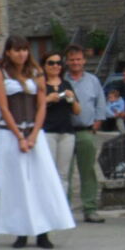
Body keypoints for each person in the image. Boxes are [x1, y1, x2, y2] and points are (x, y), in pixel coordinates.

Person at [0, 36, 75, 248]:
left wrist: (34, 135)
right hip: (10, 133)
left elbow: (41, 105)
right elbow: (3, 107)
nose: (22, 54)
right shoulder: (0, 74)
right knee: (16, 184)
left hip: (35, 133)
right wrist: (19, 136)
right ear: (8, 52)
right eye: (17, 50)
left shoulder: (36, 73)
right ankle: (21, 231)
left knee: (41, 181)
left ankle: (43, 232)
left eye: (25, 50)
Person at [64, 43, 107, 223]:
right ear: (67, 61)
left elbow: (100, 102)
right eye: (72, 59)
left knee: (88, 171)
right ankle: (63, 211)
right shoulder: (62, 80)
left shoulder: (92, 80)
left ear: (84, 61)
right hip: (65, 132)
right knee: (64, 172)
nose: (75, 62)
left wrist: (98, 121)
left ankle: (90, 208)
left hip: (85, 130)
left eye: (78, 59)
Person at [41, 51, 80, 197]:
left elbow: (77, 111)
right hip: (47, 131)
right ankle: (48, 204)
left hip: (66, 132)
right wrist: (48, 99)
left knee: (63, 173)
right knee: (48, 172)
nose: (55, 66)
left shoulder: (66, 84)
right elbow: (34, 107)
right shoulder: (41, 85)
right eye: (51, 63)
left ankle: (61, 205)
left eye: (58, 63)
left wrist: (72, 98)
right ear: (44, 65)